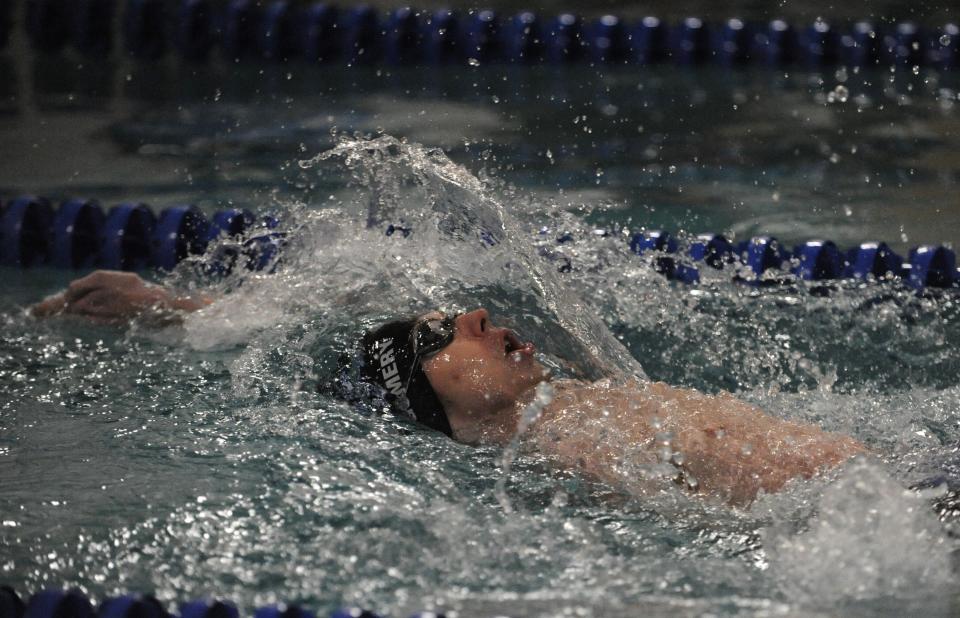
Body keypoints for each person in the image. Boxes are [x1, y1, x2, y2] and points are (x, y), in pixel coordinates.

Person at [32, 270, 867, 506]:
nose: (476, 314)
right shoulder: (564, 445)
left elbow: (332, 305)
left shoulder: (565, 400)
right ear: (427, 400)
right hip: (886, 504)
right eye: (442, 335)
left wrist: (181, 312)